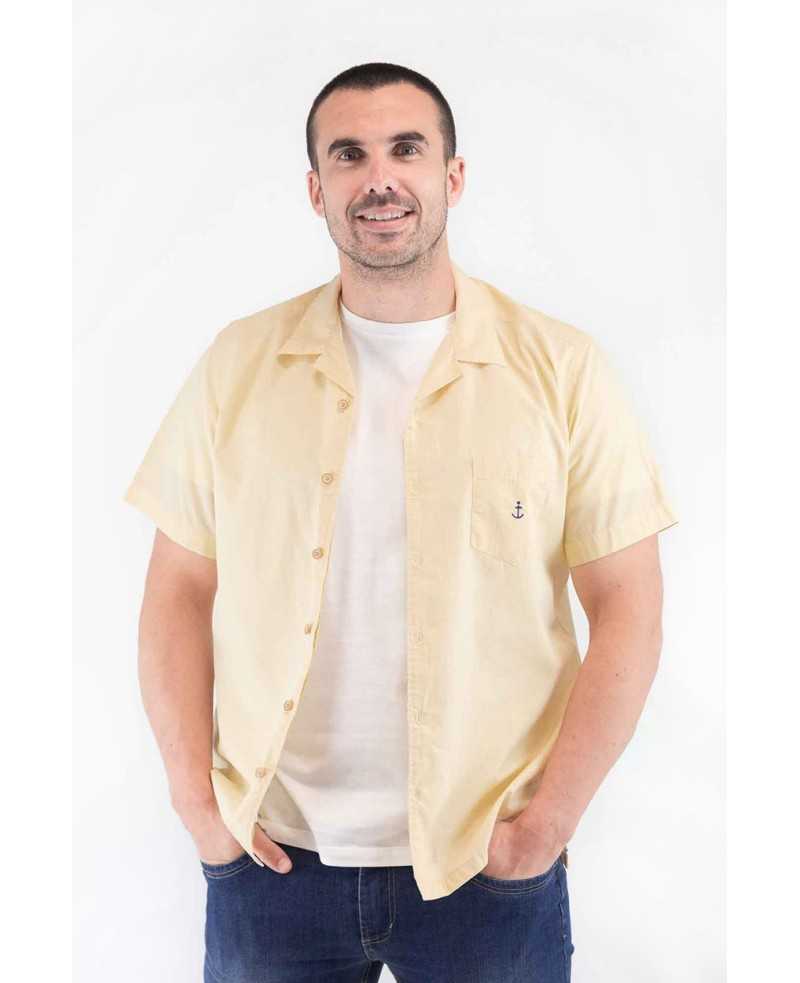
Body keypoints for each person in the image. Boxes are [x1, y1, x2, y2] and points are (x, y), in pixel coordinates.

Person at [123, 61, 679, 982]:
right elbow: (177, 586)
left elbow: (630, 606)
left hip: (487, 864)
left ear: (452, 176)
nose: (378, 177)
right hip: (273, 860)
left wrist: (547, 825)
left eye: (405, 149)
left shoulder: (562, 370)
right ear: (317, 190)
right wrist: (196, 804)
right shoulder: (238, 365)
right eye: (349, 155)